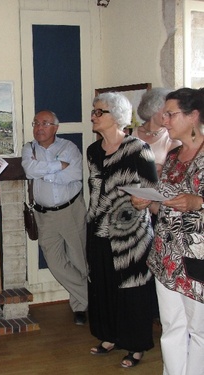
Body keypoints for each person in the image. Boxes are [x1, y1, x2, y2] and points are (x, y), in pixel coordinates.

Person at [132, 88, 204, 375]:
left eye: (171, 114)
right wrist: (146, 201)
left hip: (196, 258)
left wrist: (198, 202)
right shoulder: (173, 156)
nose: (164, 119)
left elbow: (192, 202)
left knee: (199, 330)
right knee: (171, 326)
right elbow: (164, 206)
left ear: (193, 116)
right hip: (166, 255)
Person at [86, 92, 158, 368]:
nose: (93, 116)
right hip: (98, 228)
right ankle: (109, 336)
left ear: (116, 117)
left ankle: (137, 345)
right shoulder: (94, 151)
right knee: (102, 284)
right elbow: (95, 190)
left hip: (131, 234)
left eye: (98, 112)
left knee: (132, 287)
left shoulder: (139, 149)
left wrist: (144, 201)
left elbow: (152, 190)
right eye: (94, 111)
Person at [21, 110, 88, 325]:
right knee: (56, 264)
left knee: (80, 260)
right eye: (36, 123)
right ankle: (93, 295)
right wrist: (59, 167)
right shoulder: (28, 149)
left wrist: (45, 173)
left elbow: (75, 175)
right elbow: (30, 171)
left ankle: (81, 307)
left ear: (55, 128)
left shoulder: (69, 148)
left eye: (45, 123)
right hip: (45, 216)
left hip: (71, 211)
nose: (39, 127)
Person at [133, 87, 180, 176]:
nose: (169, 116)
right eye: (166, 112)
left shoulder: (173, 138)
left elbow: (173, 175)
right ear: (153, 108)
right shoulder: (129, 134)